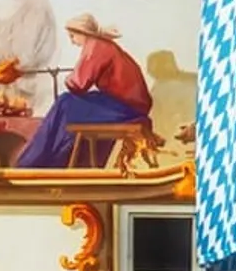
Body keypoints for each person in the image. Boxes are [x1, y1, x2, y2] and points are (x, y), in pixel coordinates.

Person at [14, 16, 151, 171]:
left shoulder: (96, 46)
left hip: (125, 109)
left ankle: (31, 163)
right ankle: (58, 162)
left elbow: (78, 84)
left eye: (72, 36)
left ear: (82, 32)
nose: (72, 42)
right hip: (127, 106)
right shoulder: (105, 45)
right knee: (71, 106)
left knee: (64, 102)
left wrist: (69, 77)